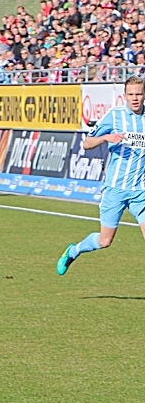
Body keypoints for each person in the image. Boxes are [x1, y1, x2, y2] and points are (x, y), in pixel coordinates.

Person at [57, 76, 145, 275]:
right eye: (131, 94)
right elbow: (87, 144)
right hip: (115, 189)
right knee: (105, 241)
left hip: (141, 192)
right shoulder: (115, 116)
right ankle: (73, 251)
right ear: (124, 96)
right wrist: (106, 137)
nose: (135, 98)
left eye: (139, 94)